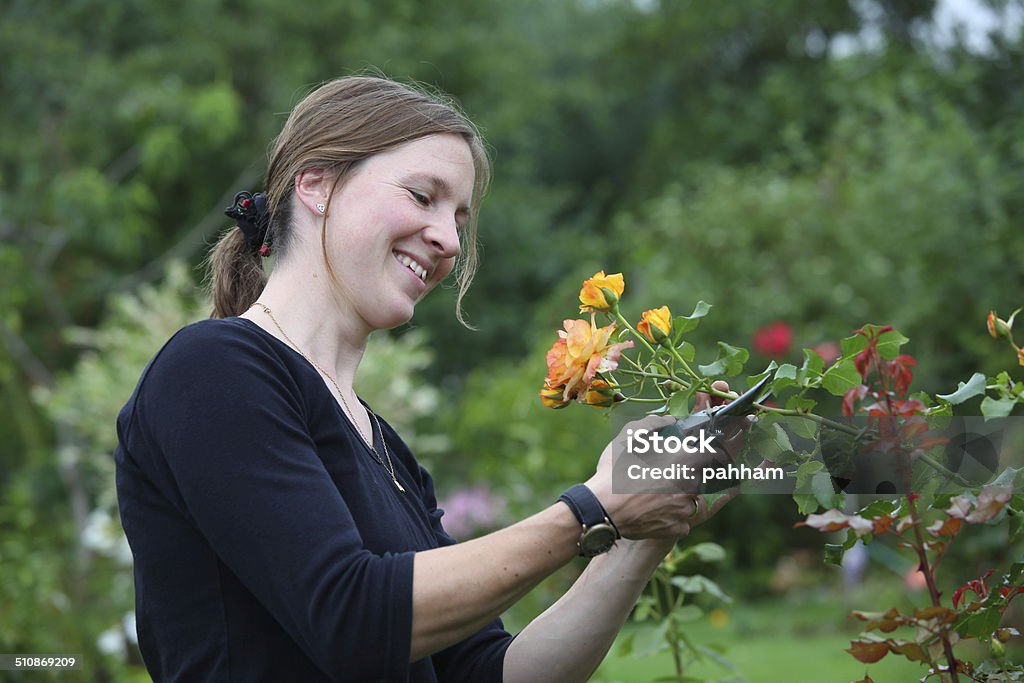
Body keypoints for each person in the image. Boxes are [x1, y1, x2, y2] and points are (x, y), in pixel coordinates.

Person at [114, 75, 728, 683]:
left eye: (460, 217)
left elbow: (491, 674)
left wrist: (644, 528)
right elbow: (350, 619)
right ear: (317, 183)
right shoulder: (213, 369)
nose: (449, 240)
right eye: (421, 196)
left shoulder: (385, 446)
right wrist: (594, 508)